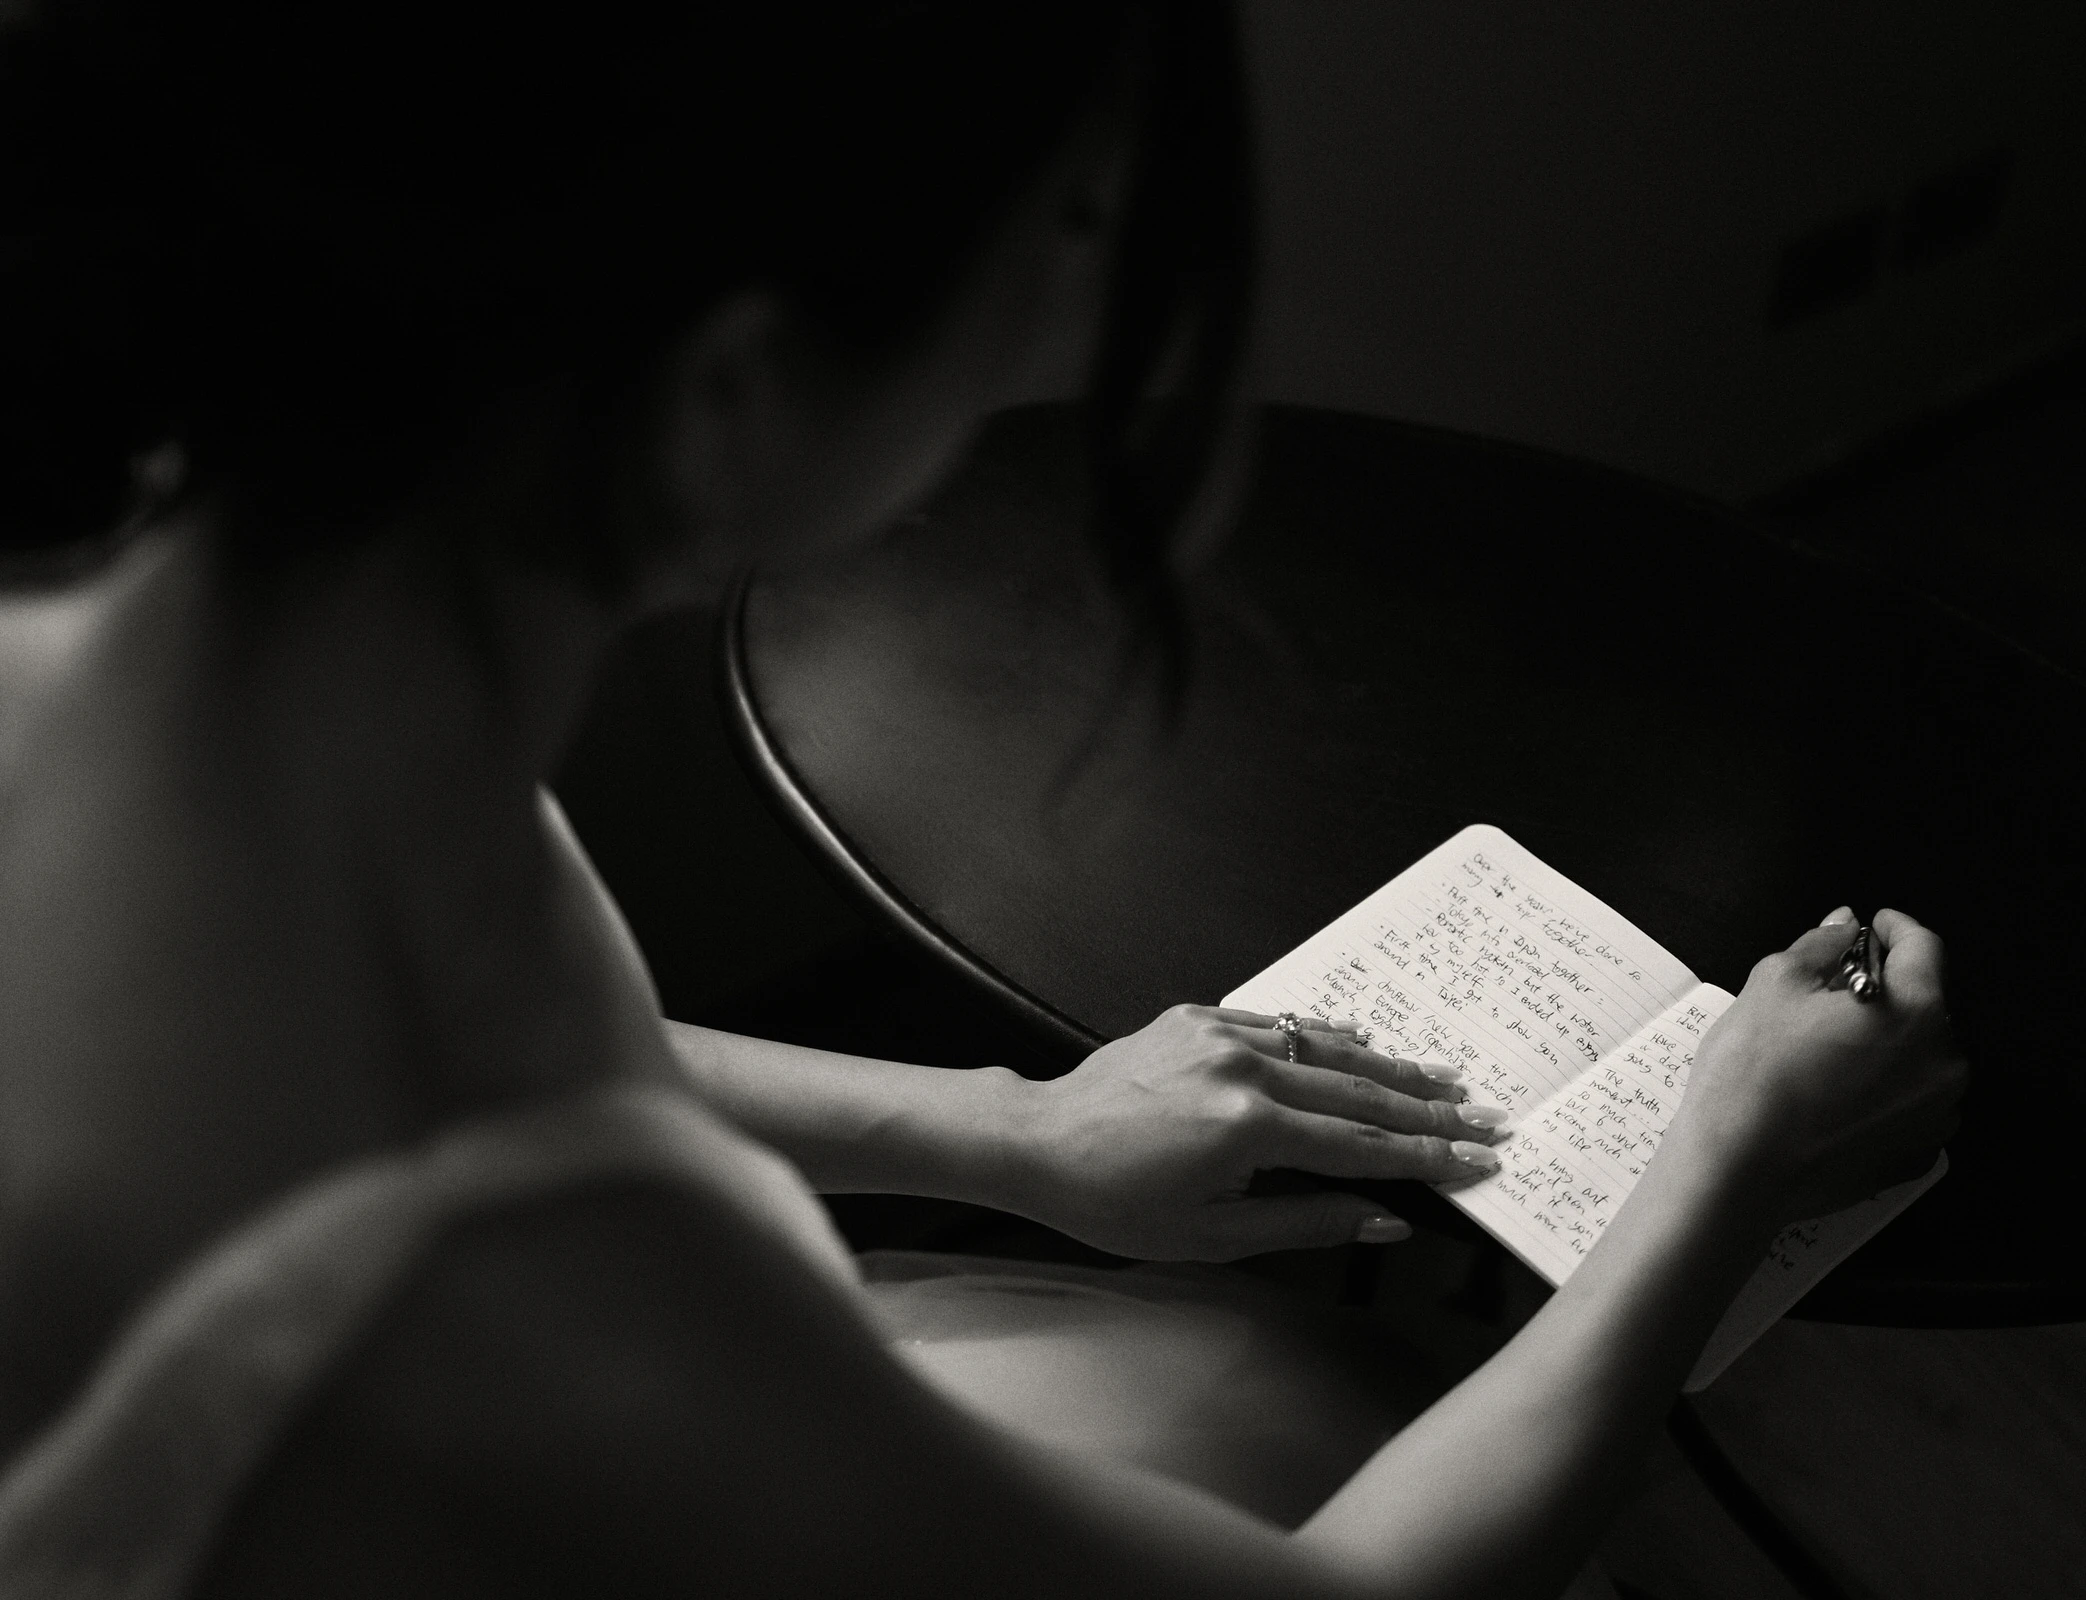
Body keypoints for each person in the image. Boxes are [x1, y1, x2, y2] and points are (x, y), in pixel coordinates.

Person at [0, 3, 1969, 1595]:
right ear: (732, 395)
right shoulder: (520, 1292)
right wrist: (1724, 1160)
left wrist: (1011, 1132)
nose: (1058, 317)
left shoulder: (149, 611)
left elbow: (471, 1031)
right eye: (1051, 243)